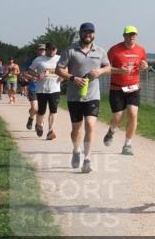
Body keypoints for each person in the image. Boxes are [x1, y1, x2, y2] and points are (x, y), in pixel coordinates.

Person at [56, 23, 111, 173]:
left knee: (91, 125)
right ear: (80, 33)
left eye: (91, 32)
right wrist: (73, 78)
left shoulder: (100, 51)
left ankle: (87, 159)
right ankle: (76, 150)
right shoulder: (70, 50)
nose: (88, 34)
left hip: (93, 95)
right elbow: (58, 69)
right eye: (85, 32)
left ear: (94, 34)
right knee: (76, 129)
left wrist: (100, 71)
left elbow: (108, 67)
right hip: (74, 96)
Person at [104, 26, 149, 156]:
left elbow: (144, 64)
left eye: (134, 34)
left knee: (133, 114)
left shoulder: (141, 50)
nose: (132, 37)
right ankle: (111, 131)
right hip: (117, 87)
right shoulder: (114, 50)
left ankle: (127, 145)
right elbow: (105, 68)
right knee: (118, 116)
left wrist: (144, 66)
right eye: (129, 34)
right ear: (124, 36)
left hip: (133, 87)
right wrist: (119, 71)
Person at [29, 44, 62, 140]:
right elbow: (30, 70)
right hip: (41, 89)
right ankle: (38, 125)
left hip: (55, 89)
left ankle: (50, 131)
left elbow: (66, 69)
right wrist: (37, 74)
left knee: (53, 110)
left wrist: (62, 77)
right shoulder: (39, 59)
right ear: (46, 50)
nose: (52, 51)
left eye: (53, 49)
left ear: (56, 49)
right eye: (50, 49)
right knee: (41, 111)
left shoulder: (60, 59)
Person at [23, 45, 46, 129]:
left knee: (40, 109)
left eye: (44, 50)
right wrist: (31, 77)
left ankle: (38, 124)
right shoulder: (31, 60)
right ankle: (31, 118)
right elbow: (24, 73)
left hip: (44, 88)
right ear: (37, 50)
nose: (42, 51)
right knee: (35, 108)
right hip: (33, 87)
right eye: (40, 50)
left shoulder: (48, 61)